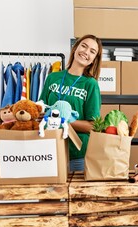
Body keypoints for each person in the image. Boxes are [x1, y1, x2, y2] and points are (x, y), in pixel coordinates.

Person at [39, 34, 102, 171]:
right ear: (75, 48)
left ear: (93, 60)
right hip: (49, 150)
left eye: (92, 51)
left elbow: (93, 126)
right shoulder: (52, 77)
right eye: (84, 46)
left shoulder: (90, 84)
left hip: (77, 154)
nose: (86, 52)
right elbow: (40, 110)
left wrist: (61, 121)